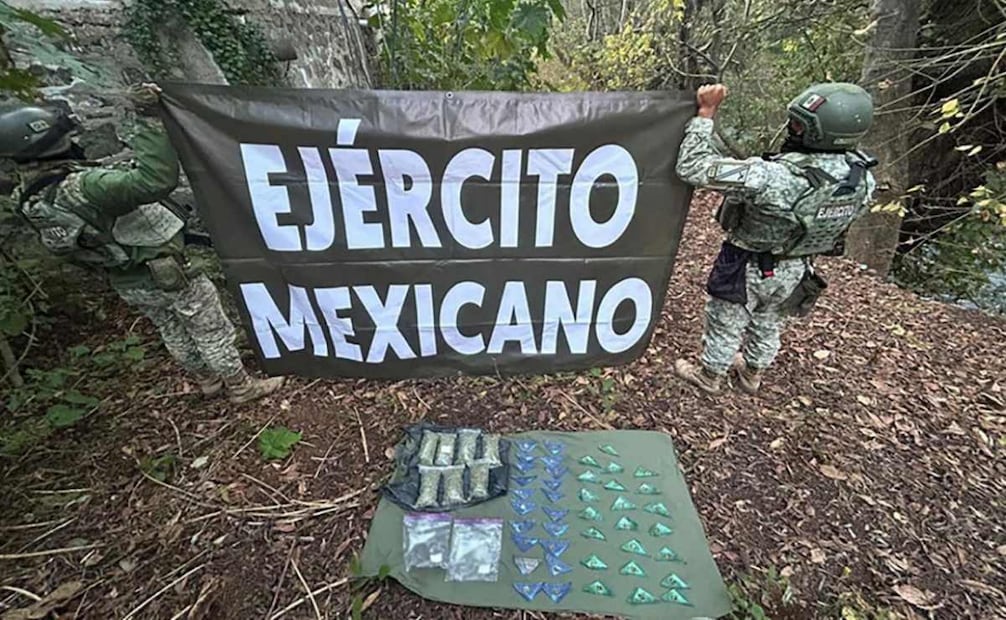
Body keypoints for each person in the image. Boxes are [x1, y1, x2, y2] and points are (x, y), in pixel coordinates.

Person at [0, 84, 285, 404]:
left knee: (172, 329)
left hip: (126, 277)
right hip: (167, 270)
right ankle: (241, 387)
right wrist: (149, 118)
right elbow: (155, 180)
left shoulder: (25, 199)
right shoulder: (85, 187)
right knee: (210, 329)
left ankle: (207, 381)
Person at [673, 82, 877, 395]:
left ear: (818, 132)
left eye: (798, 124)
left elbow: (692, 166)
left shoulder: (773, 176)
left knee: (726, 320)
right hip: (797, 266)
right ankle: (752, 372)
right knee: (770, 319)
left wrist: (706, 114)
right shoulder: (860, 177)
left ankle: (710, 375)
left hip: (745, 263)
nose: (791, 129)